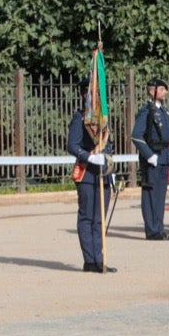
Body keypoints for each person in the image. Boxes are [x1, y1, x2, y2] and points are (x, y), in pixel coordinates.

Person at [66, 91, 116, 272]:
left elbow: (107, 146)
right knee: (87, 217)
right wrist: (89, 157)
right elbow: (72, 145)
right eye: (91, 93)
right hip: (87, 173)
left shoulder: (102, 120)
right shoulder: (80, 118)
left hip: (103, 173)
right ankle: (90, 260)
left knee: (99, 219)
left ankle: (99, 259)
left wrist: (112, 171)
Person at [130, 77, 169, 240]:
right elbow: (136, 136)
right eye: (162, 89)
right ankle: (152, 229)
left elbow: (167, 137)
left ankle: (159, 227)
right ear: (152, 91)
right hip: (153, 157)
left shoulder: (163, 111)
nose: (165, 92)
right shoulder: (147, 111)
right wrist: (149, 156)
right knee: (151, 195)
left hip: (163, 157)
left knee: (160, 195)